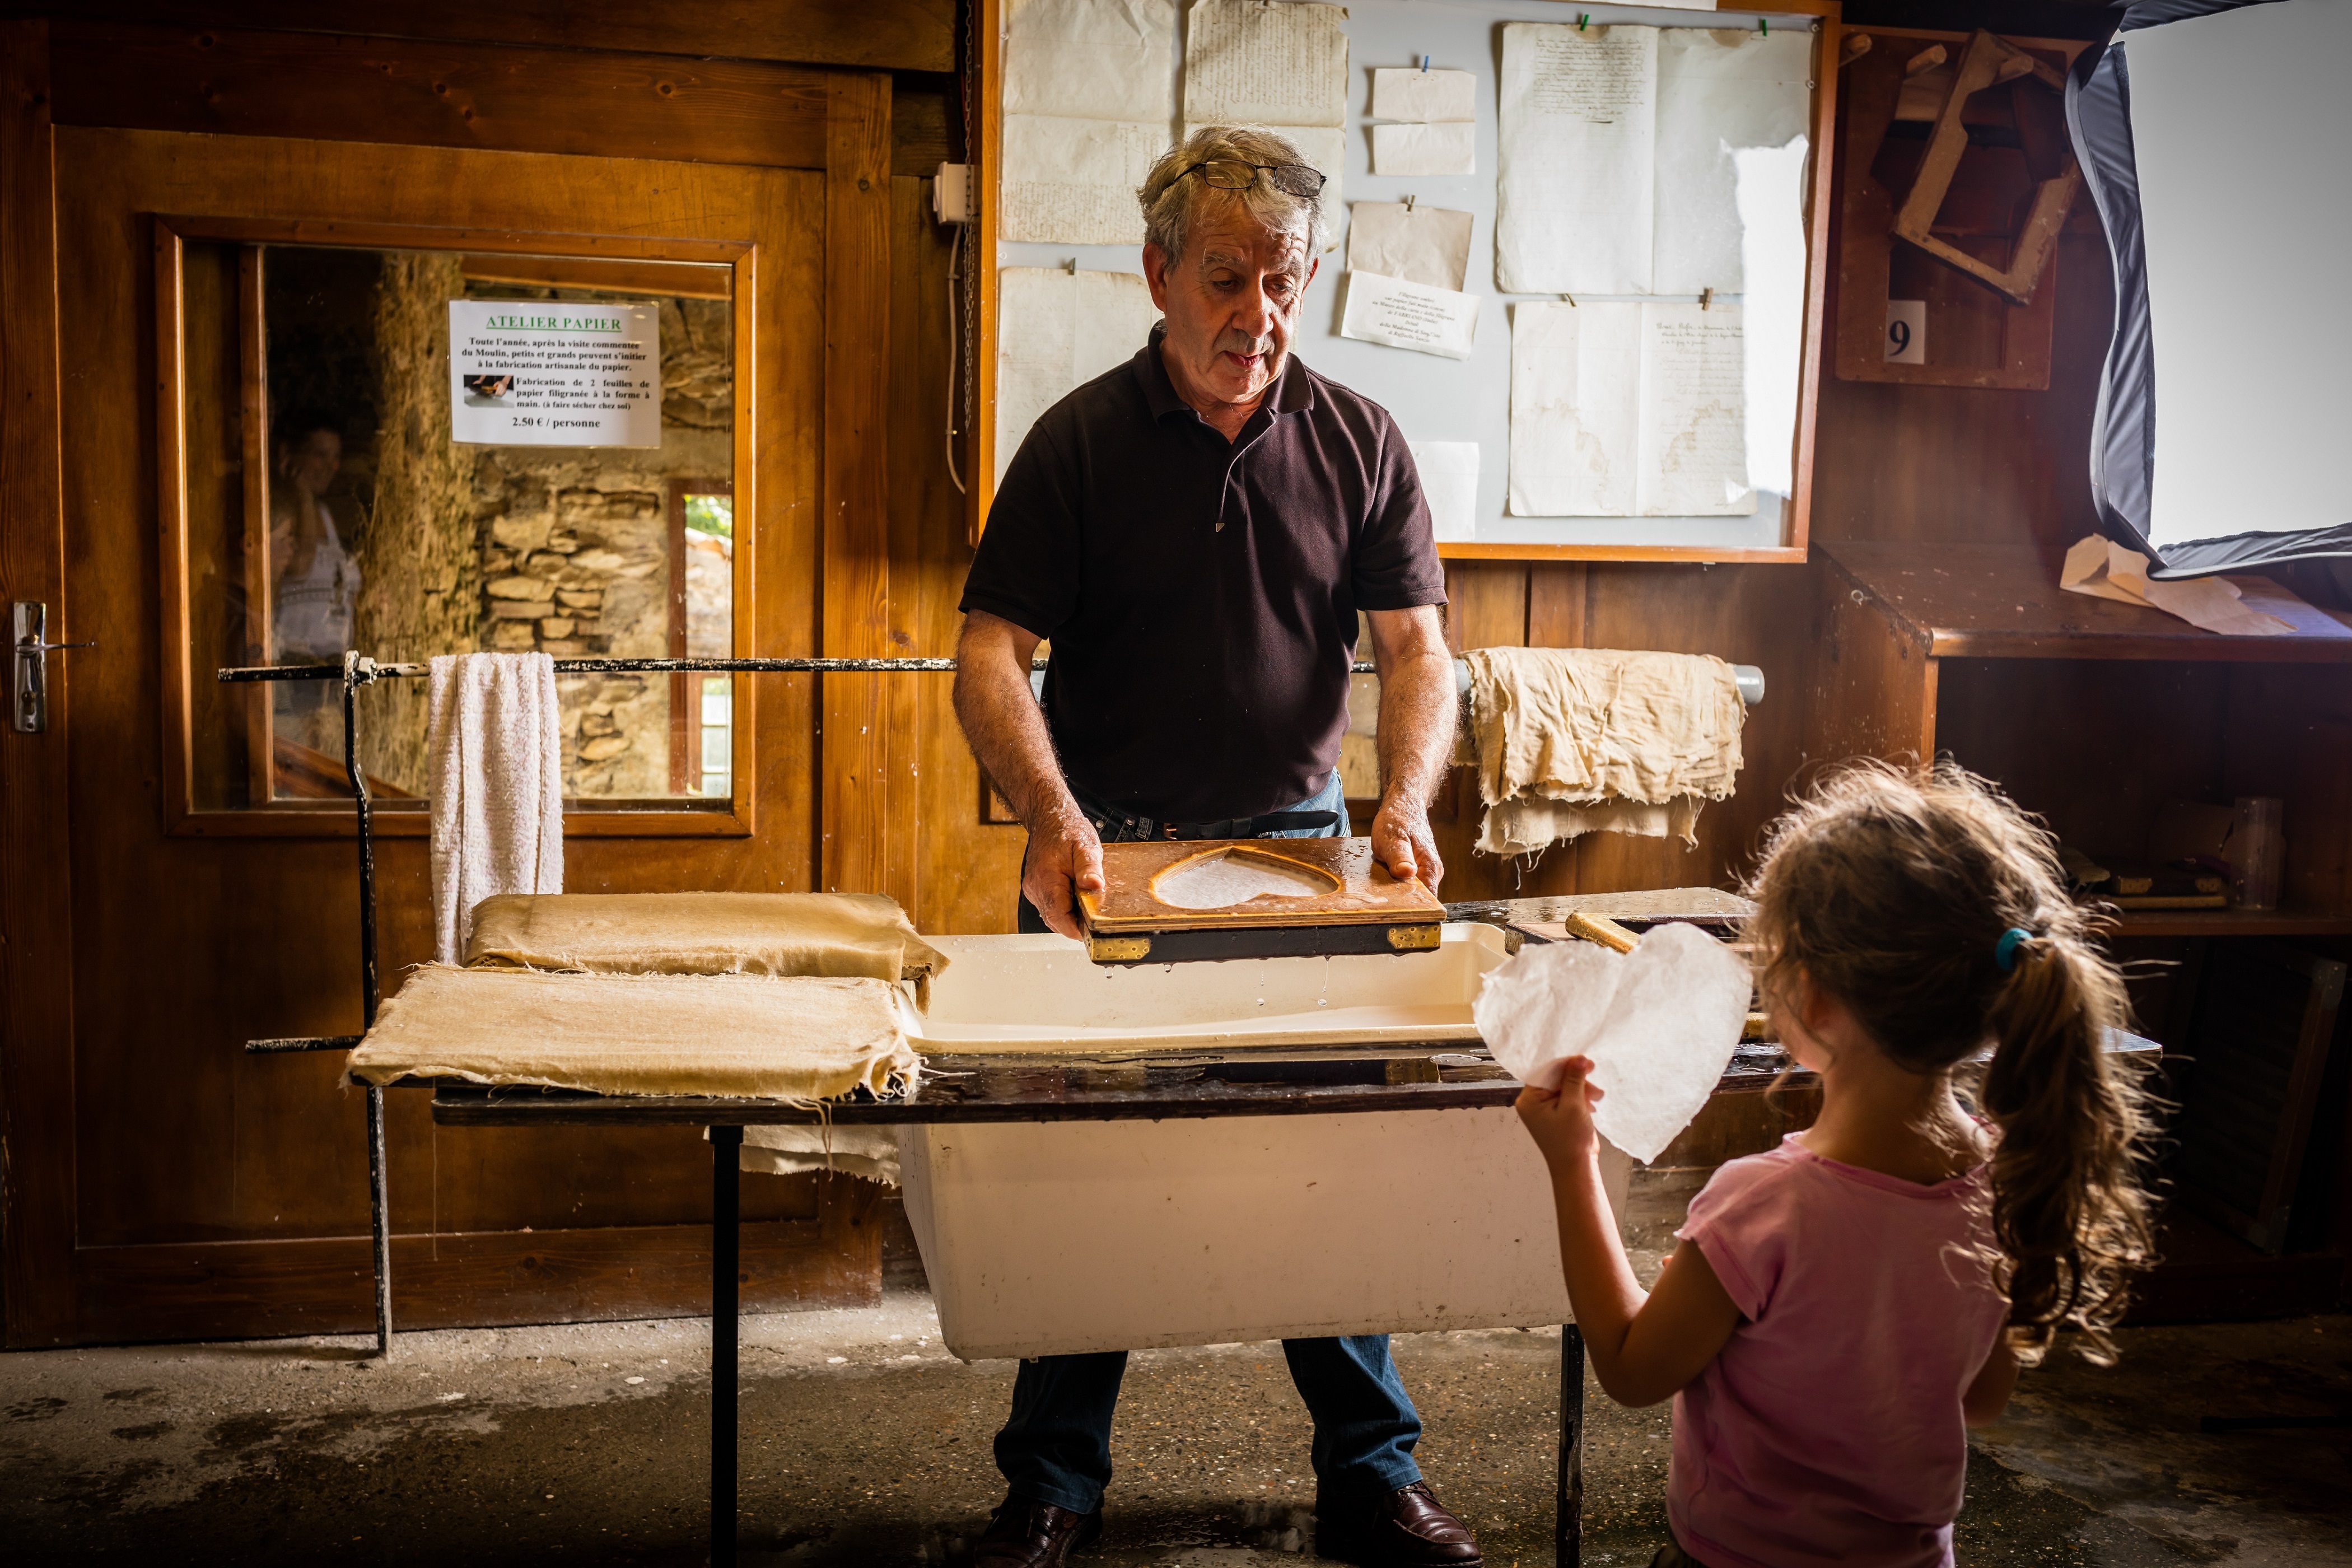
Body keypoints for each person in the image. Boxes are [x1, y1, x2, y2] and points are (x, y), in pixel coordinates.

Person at [952, 125, 1474, 1568]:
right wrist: (1051, 817)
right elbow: (990, 656)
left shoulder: (1360, 437)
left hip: (1302, 850)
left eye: (1287, 281)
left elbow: (1420, 650)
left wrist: (1406, 800)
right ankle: (1052, 1486)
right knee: (1089, 1172)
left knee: (1322, 1169)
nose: (1261, 315)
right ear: (1159, 274)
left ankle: (1373, 1474)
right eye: (1231, 279)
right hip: (1104, 853)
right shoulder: (1077, 440)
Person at [1516, 762, 2158, 1568]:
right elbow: (1983, 1400)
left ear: (1815, 1001)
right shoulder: (2004, 1177)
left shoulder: (1763, 1209)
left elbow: (1633, 1368)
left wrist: (1574, 1162)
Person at [268, 409, 361, 662]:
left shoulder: (325, 515)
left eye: (336, 457)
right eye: (321, 455)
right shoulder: (278, 512)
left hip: (329, 668)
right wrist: (303, 495)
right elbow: (300, 567)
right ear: (288, 453)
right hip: (295, 663)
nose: (331, 467)